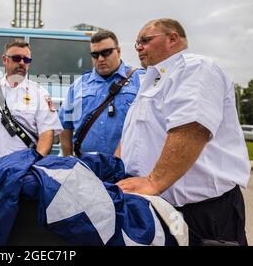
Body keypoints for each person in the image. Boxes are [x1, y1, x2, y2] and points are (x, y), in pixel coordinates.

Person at [116, 18, 251, 246]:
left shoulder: (194, 67)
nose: (138, 47)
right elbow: (136, 133)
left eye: (145, 40)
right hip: (159, 207)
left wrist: (154, 181)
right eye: (136, 43)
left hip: (202, 214)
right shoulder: (151, 80)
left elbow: (192, 126)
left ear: (173, 38)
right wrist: (117, 168)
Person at [0, 39, 63, 158]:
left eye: (26, 60)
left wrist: (35, 162)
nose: (22, 63)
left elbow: (47, 134)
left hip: (23, 169)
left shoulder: (40, 94)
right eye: (16, 58)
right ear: (5, 60)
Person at [58, 29, 143, 157]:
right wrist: (68, 158)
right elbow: (65, 125)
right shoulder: (78, 85)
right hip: (85, 167)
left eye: (106, 52)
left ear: (118, 51)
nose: (100, 59)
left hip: (126, 168)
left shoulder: (140, 80)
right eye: (95, 55)